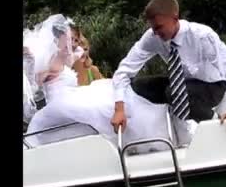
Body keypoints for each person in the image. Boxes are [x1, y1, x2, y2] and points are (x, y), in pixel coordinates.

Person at [110, 0, 226, 142]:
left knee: (173, 92)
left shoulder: (202, 35)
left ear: (175, 19)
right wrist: (119, 108)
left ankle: (213, 123)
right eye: (152, 28)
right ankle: (157, 131)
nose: (155, 32)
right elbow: (124, 70)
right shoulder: (152, 37)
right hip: (183, 83)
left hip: (213, 86)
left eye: (159, 27)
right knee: (139, 86)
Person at [24, 14, 171, 151]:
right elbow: (36, 82)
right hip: (60, 100)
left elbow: (82, 56)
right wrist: (31, 62)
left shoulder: (65, 56)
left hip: (74, 94)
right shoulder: (48, 63)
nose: (70, 41)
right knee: (99, 108)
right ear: (56, 39)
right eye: (67, 37)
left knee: (112, 94)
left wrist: (81, 54)